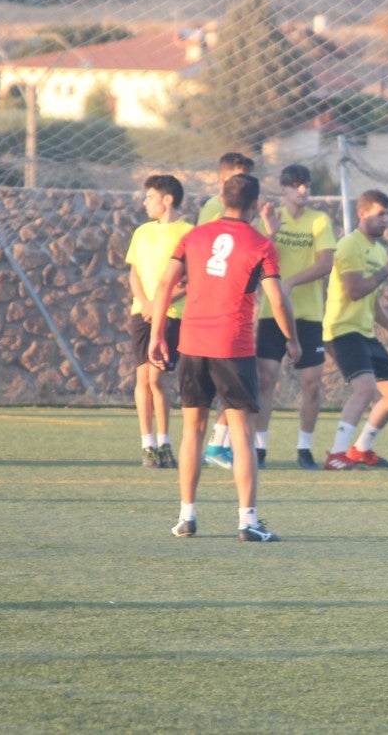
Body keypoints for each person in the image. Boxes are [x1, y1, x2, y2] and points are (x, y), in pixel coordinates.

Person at [149, 173, 300, 542]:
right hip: (232, 346)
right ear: (253, 205)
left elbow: (166, 284)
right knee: (243, 435)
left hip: (192, 343)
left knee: (193, 432)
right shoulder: (261, 244)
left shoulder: (193, 236)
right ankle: (247, 521)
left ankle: (187, 517)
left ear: (220, 198)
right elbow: (277, 298)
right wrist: (291, 339)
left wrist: (156, 334)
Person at [321, 189, 388, 470]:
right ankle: (336, 454)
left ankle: (361, 449)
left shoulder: (379, 250)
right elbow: (356, 290)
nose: (386, 219)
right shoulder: (349, 246)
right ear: (363, 214)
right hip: (342, 330)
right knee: (365, 389)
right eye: (380, 213)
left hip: (365, 333)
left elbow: (371, 300)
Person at [255, 164, 336, 470]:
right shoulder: (270, 216)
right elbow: (256, 259)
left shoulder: (319, 221)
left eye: (307, 185)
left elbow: (326, 263)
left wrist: (290, 282)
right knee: (265, 379)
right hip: (271, 314)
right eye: (298, 185)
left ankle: (304, 449)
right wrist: (270, 232)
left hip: (308, 314)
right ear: (284, 190)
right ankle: (259, 448)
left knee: (312, 383)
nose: (304, 190)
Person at [125, 174, 193, 469]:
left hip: (172, 315)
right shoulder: (141, 232)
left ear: (167, 200)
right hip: (142, 313)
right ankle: (148, 445)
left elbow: (191, 280)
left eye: (150, 196)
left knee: (157, 379)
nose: (145, 202)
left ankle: (165, 442)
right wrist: (147, 304)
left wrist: (162, 305)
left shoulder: (189, 232)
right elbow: (134, 273)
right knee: (142, 379)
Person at [197, 152, 256, 470]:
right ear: (223, 180)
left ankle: (218, 445)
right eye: (239, 177)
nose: (244, 183)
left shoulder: (246, 217)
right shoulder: (213, 211)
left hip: (232, 311)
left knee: (238, 386)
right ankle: (214, 446)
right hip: (214, 314)